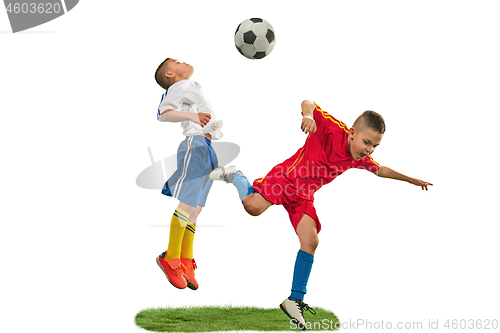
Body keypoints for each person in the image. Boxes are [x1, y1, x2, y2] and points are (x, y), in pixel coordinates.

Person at [209, 100, 432, 328]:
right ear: (352, 133)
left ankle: (294, 300)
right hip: (286, 178)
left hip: (304, 195)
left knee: (311, 241)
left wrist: (411, 180)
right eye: (367, 142)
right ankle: (236, 176)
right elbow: (308, 103)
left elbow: (380, 170)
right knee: (253, 208)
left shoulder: (361, 159)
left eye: (375, 146)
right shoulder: (333, 130)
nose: (369, 150)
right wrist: (309, 117)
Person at [154, 58, 223, 290]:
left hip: (206, 147)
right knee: (188, 203)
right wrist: (193, 118)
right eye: (176, 62)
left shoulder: (191, 87)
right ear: (170, 75)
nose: (183, 61)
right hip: (194, 145)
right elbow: (163, 113)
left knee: (197, 207)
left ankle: (185, 259)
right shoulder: (177, 88)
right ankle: (170, 257)